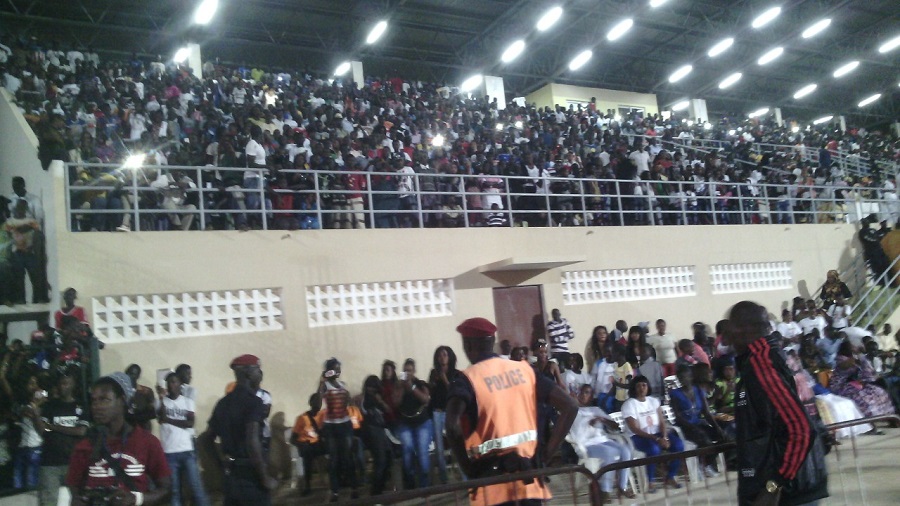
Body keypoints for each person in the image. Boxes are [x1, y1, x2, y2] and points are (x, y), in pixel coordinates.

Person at [446, 317, 577, 506]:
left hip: (493, 486)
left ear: (467, 344)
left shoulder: (467, 380)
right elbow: (570, 406)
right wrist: (546, 455)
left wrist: (469, 469)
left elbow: (451, 425)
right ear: (493, 342)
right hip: (529, 480)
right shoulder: (524, 370)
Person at [728, 301, 828, 506]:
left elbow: (800, 429)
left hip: (788, 493)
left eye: (732, 326)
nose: (728, 335)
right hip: (793, 485)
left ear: (745, 329)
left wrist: (772, 487)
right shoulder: (774, 356)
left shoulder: (762, 363)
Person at [66, 372, 172, 506]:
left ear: (122, 400)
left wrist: (135, 499)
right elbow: (74, 488)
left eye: (104, 399)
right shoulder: (85, 446)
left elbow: (166, 490)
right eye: (94, 400)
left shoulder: (147, 442)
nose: (96, 406)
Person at [200, 354, 278, 505]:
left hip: (231, 475)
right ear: (248, 372)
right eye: (257, 369)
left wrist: (220, 465)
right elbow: (252, 441)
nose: (259, 374)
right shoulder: (254, 402)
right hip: (251, 475)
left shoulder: (223, 403)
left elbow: (206, 438)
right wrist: (264, 477)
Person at [569, 384, 635, 501]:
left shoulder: (595, 409)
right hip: (585, 445)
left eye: (588, 393)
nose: (585, 395)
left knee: (625, 450)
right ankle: (605, 490)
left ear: (591, 396)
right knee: (610, 452)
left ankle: (622, 486)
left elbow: (615, 426)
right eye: (582, 392)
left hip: (601, 440)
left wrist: (602, 419)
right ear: (577, 394)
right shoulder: (573, 410)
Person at [621, 375, 684, 493]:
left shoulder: (654, 401)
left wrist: (664, 437)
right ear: (633, 389)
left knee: (678, 445)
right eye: (638, 386)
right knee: (653, 449)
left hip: (657, 433)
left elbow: (662, 422)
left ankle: (670, 476)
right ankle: (650, 481)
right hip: (639, 436)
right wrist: (656, 439)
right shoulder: (629, 404)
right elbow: (634, 429)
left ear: (648, 387)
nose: (641, 388)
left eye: (644, 385)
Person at [156, 372, 209, 506]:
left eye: (174, 382)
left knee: (196, 487)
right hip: (169, 452)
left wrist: (169, 419)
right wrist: (161, 397)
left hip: (187, 450)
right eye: (169, 382)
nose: (171, 385)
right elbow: (161, 419)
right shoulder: (161, 402)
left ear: (180, 384)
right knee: (174, 491)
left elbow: (190, 423)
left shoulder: (187, 401)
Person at [37, 371, 89, 506]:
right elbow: (43, 429)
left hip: (74, 461)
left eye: (66, 383)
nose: (62, 387)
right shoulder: (49, 406)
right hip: (50, 462)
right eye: (60, 383)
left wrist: (53, 427)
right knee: (48, 502)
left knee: (79, 500)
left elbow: (81, 431)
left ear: (73, 385)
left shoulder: (81, 406)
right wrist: (35, 413)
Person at [668, 365, 725, 478]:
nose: (682, 380)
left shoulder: (698, 390)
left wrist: (716, 426)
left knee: (722, 437)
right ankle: (700, 465)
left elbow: (706, 412)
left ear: (690, 377)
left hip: (698, 424)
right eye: (680, 378)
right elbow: (678, 416)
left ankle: (707, 464)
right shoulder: (674, 394)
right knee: (704, 439)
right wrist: (691, 426)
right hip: (685, 426)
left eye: (685, 377)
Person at [317, 357, 359, 501]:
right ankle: (335, 491)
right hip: (330, 426)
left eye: (339, 368)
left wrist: (350, 398)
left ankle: (354, 488)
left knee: (348, 458)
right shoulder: (325, 386)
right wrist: (320, 383)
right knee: (333, 459)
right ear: (329, 370)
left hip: (345, 424)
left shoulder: (343, 385)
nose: (338, 371)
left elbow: (349, 403)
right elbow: (317, 404)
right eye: (335, 368)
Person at [829, 340, 895, 419]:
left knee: (879, 392)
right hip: (840, 385)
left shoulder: (854, 358)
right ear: (846, 348)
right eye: (852, 347)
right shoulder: (841, 359)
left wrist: (860, 355)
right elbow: (849, 364)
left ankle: (886, 416)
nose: (854, 348)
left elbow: (868, 372)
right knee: (862, 397)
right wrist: (859, 354)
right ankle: (870, 418)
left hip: (854, 384)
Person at [394, 358, 432, 489]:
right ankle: (410, 483)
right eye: (405, 371)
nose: (407, 373)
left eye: (410, 371)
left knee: (422, 452)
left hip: (422, 422)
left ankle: (424, 486)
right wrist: (403, 388)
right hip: (406, 423)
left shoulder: (420, 383)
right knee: (407, 450)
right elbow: (396, 403)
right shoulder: (398, 386)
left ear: (414, 371)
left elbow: (425, 399)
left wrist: (412, 387)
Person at [428, 345, 461, 484]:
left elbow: (454, 391)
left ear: (450, 357)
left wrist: (444, 379)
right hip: (438, 412)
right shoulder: (433, 373)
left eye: (444, 355)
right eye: (439, 355)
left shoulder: (456, 373)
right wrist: (434, 382)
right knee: (439, 448)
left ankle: (461, 475)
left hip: (452, 412)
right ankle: (444, 480)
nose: (442, 358)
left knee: (457, 445)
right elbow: (431, 393)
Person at [358, 376, 392, 496]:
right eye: (369, 387)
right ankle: (375, 493)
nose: (370, 389)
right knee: (380, 461)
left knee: (388, 458)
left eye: (373, 387)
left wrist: (380, 401)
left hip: (381, 430)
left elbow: (388, 410)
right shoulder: (366, 399)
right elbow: (365, 411)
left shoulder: (378, 399)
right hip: (371, 430)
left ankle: (380, 489)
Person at [289, 393, 325, 496]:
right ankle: (308, 485)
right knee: (308, 456)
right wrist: (301, 444)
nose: (318, 404)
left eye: (320, 402)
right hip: (306, 444)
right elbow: (292, 439)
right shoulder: (302, 418)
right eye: (315, 401)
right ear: (310, 403)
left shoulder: (322, 416)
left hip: (318, 444)